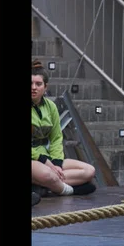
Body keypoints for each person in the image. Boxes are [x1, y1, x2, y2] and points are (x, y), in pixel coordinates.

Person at [32, 64, 97, 203]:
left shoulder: (51, 107)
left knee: (89, 171)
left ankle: (46, 186)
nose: (34, 87)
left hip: (48, 155)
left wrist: (56, 162)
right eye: (31, 83)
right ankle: (69, 190)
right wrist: (48, 164)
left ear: (45, 87)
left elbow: (56, 137)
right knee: (47, 174)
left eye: (38, 84)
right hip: (34, 158)